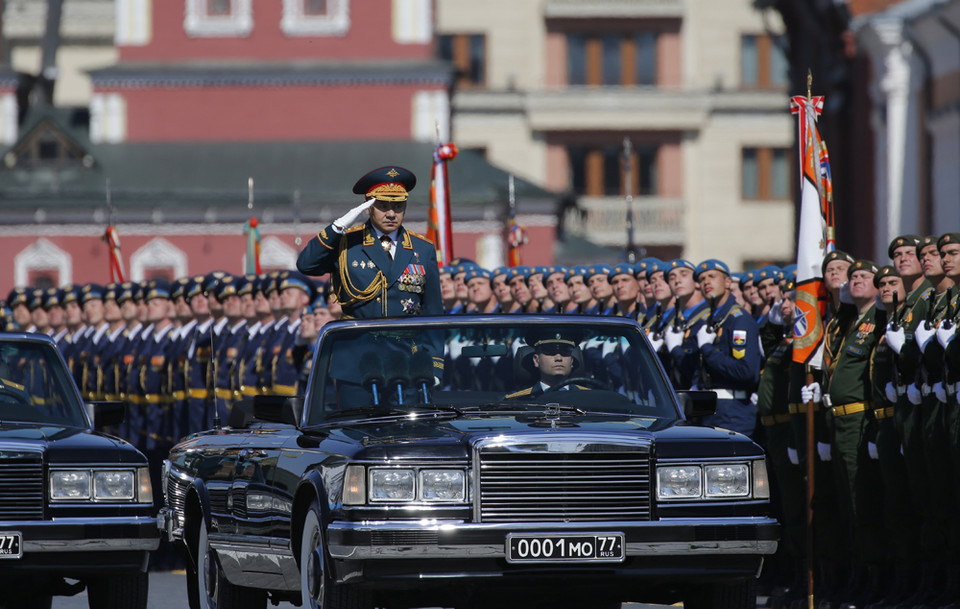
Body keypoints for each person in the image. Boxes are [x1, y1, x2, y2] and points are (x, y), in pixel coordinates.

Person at [296, 166, 442, 318]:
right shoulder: (347, 244)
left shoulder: (423, 248)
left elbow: (433, 311)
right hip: (361, 339)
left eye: (398, 206)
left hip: (406, 340)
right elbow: (306, 264)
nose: (391, 214)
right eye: (383, 206)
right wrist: (337, 228)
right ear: (367, 208)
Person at [505, 333, 584, 399]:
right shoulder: (518, 401)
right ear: (536, 360)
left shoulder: (589, 397)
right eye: (550, 352)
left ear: (571, 361)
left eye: (565, 353)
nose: (559, 358)